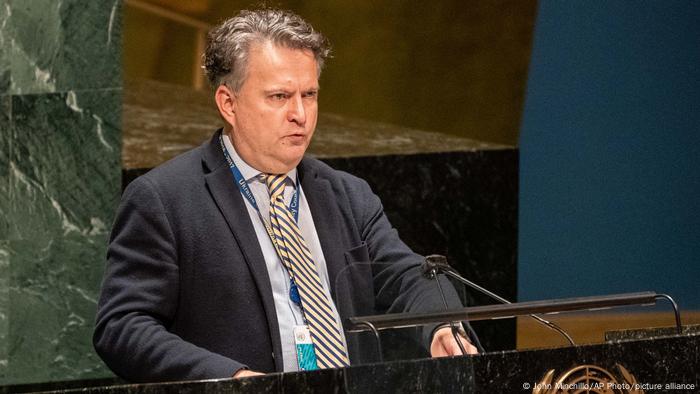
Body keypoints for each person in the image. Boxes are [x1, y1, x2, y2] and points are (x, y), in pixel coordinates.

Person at [94, 8, 477, 383]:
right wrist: (233, 380)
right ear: (229, 103)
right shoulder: (164, 199)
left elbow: (412, 276)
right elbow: (123, 326)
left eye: (309, 94)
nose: (300, 114)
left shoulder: (346, 195)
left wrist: (442, 325)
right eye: (279, 96)